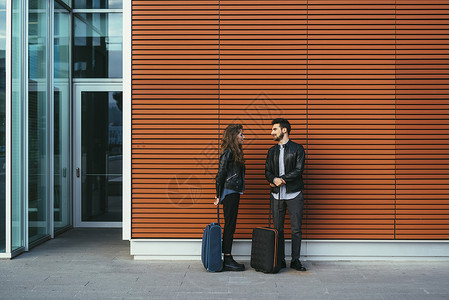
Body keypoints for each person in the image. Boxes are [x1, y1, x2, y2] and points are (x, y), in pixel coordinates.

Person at [265, 118, 306, 271]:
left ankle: (295, 260)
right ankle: (279, 260)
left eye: (274, 129)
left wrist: (281, 180)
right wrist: (273, 179)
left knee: (296, 229)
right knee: (278, 230)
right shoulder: (272, 151)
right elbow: (267, 171)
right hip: (276, 196)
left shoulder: (298, 149)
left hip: (294, 195)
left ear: (284, 130)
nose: (271, 132)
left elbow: (299, 170)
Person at [214, 124, 246, 271]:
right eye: (240, 134)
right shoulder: (228, 152)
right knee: (230, 225)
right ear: (234, 136)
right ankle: (227, 257)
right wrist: (218, 195)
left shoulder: (235, 152)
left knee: (230, 225)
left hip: (233, 191)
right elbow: (220, 174)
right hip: (229, 192)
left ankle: (227, 256)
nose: (243, 137)